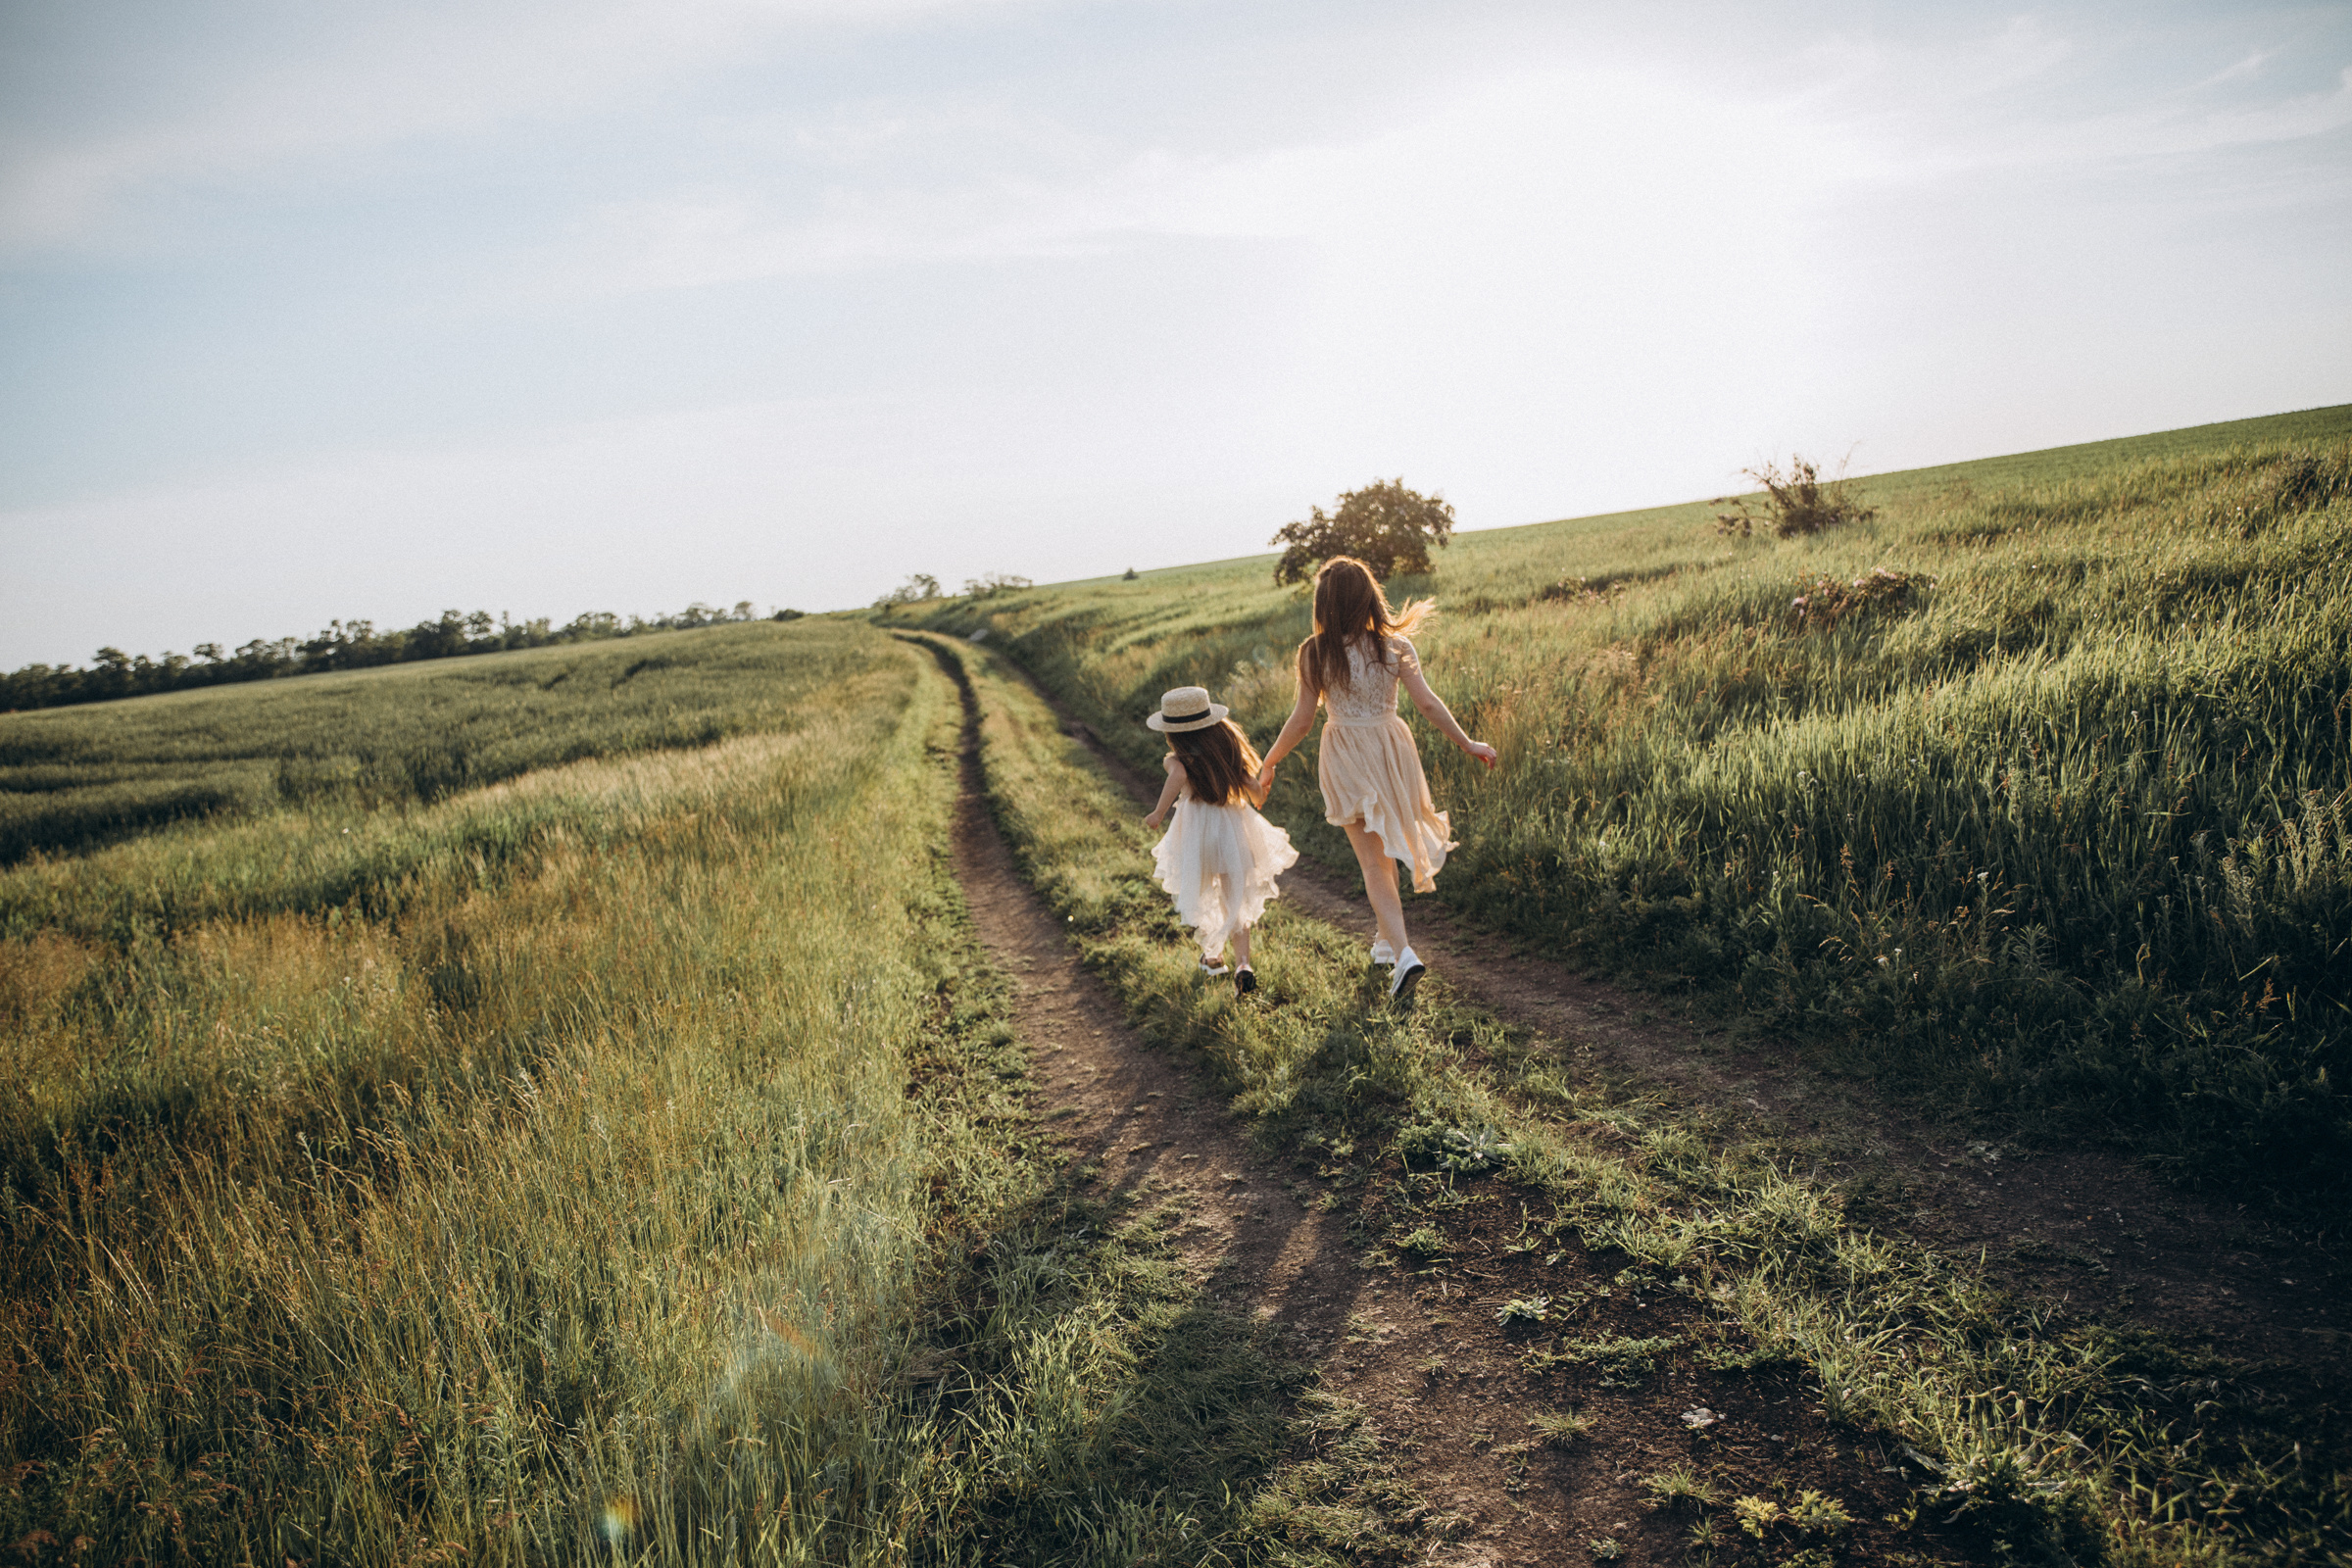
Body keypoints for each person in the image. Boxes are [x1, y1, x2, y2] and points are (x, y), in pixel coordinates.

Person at [1255, 556, 1496, 1004]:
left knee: (1372, 862)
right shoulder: (1395, 645)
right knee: (1383, 853)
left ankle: (1403, 954)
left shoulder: (1315, 652)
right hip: (1391, 749)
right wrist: (1468, 743)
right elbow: (1427, 704)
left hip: (1347, 753)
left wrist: (1269, 762)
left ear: (1324, 604)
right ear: (1368, 596)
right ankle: (1387, 943)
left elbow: (1302, 721)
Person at [1143, 686, 1299, 995]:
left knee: (1204, 892)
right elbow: (1253, 789)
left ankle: (1213, 957)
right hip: (1232, 830)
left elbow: (1177, 778)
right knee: (1234, 896)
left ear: (1172, 732)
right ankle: (1243, 964)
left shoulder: (1175, 759)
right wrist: (1261, 794)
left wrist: (1158, 813)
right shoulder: (1227, 754)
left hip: (1198, 833)